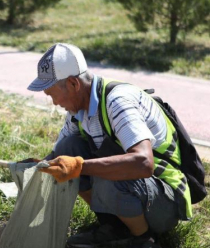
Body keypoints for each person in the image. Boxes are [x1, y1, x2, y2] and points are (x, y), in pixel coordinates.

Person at [27, 43, 191, 248]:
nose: (54, 102)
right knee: (68, 148)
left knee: (108, 172)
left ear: (73, 84)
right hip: (140, 192)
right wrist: (38, 165)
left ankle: (143, 239)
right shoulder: (78, 112)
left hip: (165, 202)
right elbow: (61, 155)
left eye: (52, 94)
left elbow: (143, 163)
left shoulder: (117, 102)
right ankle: (113, 227)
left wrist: (79, 166)